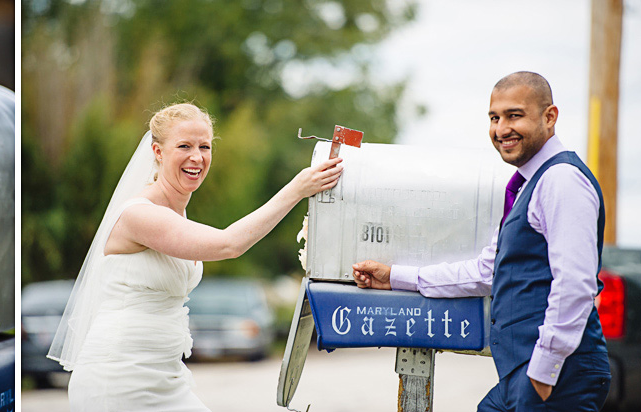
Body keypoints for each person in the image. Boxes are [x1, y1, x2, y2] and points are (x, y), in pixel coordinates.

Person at [48, 102, 343, 411]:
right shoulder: (139, 215)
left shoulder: (179, 216)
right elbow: (229, 244)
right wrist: (296, 189)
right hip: (119, 376)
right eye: (184, 146)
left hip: (164, 374)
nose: (197, 157)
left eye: (204, 146)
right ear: (158, 152)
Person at [352, 72, 610, 411]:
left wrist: (543, 374)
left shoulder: (561, 180)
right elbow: (487, 271)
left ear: (549, 117)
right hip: (524, 373)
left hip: (557, 375)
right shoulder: (526, 186)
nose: (501, 129)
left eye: (514, 115)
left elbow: (575, 285)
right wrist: (396, 277)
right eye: (494, 117)